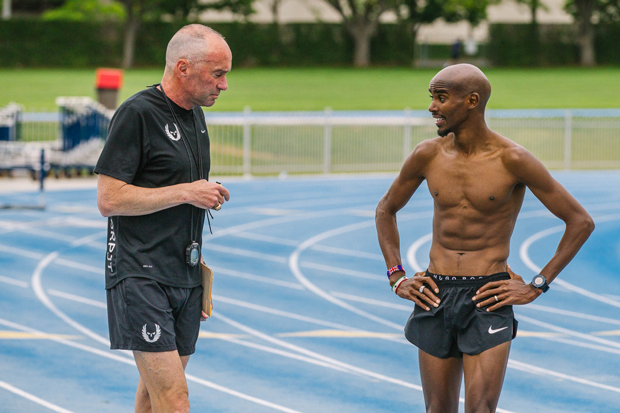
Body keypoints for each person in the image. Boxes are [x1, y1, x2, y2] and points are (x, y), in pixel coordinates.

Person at [375, 64, 594, 412]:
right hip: (435, 293)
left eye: (441, 97)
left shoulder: (513, 159)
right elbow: (385, 209)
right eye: (432, 97)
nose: (432, 106)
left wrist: (537, 284)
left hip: (487, 296)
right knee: (438, 410)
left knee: (481, 410)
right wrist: (396, 277)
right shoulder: (427, 154)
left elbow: (580, 221)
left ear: (472, 101)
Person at [95, 24, 231, 412]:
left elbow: (175, 193)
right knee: (175, 398)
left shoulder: (196, 116)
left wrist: (196, 263)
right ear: (183, 67)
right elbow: (109, 199)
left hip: (182, 272)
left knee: (152, 399)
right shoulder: (136, 113)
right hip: (139, 273)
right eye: (217, 74)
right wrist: (189, 191)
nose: (223, 85)